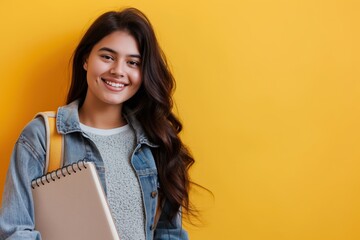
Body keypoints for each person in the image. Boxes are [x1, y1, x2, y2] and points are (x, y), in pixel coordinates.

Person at [0, 7, 195, 239]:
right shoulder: (42, 136)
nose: (118, 71)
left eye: (133, 63)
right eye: (107, 57)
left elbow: (169, 234)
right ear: (86, 60)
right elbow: (14, 230)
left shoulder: (156, 140)